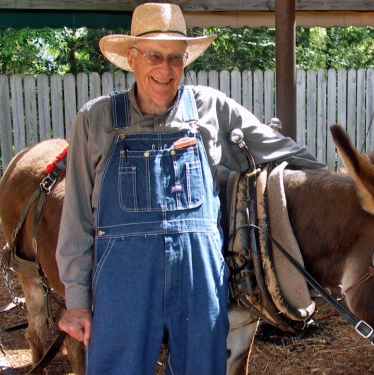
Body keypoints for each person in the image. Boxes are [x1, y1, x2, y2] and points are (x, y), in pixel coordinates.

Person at [56, 3, 326, 374]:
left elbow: (276, 147)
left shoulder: (210, 109)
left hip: (199, 284)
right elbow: (77, 222)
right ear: (131, 58)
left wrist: (334, 179)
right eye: (154, 55)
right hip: (124, 288)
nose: (165, 69)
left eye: (176, 58)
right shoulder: (96, 119)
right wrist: (76, 301)